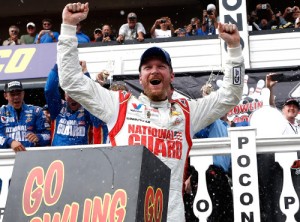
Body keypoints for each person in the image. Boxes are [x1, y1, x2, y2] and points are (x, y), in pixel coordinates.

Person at [57, 3, 244, 221]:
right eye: (148, 67)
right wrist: (69, 28)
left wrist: (234, 50)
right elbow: (70, 81)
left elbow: (231, 94)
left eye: (161, 66)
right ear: (140, 78)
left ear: (171, 76)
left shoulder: (186, 113)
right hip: (126, 212)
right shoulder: (120, 106)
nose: (154, 70)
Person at [44, 62, 108, 146]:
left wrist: (85, 73)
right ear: (64, 94)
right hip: (58, 156)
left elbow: (91, 98)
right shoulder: (58, 108)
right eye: (70, 94)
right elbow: (49, 90)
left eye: (76, 94)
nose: (73, 98)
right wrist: (59, 65)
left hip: (81, 156)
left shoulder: (87, 109)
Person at [0, 81, 50, 152]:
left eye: (18, 94)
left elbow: (48, 136)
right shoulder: (1, 112)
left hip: (31, 156)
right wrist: (10, 142)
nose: (16, 97)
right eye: (12, 94)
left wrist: (38, 137)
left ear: (23, 94)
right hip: (6, 157)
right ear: (5, 96)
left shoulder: (36, 111)